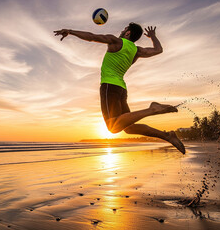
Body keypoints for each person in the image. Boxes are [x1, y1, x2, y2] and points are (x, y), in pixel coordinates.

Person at [54, 23, 185, 154]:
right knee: (129, 128)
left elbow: (91, 37)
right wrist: (153, 36)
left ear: (128, 33)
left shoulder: (115, 41)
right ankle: (167, 136)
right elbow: (158, 50)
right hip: (121, 89)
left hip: (109, 86)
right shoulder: (137, 51)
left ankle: (152, 109)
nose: (121, 31)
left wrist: (70, 31)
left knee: (112, 127)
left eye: (124, 29)